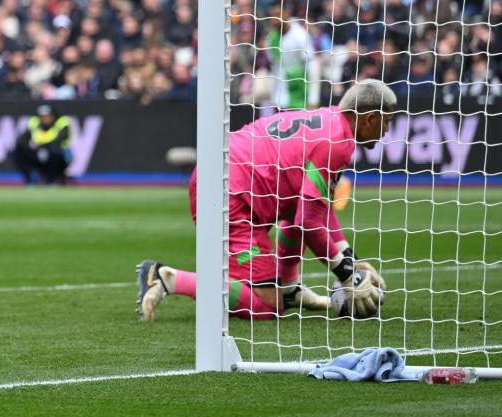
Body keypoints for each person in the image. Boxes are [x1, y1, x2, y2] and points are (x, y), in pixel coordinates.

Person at [137, 80, 395, 321]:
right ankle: (167, 278)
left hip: (226, 176)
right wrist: (347, 275)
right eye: (386, 122)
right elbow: (310, 222)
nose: (387, 130)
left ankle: (290, 287)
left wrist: (350, 258)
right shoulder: (339, 142)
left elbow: (316, 208)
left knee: (298, 205)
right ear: (370, 118)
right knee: (268, 307)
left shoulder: (332, 120)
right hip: (230, 195)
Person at [12, 104, 72, 184]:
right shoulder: (35, 123)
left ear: (52, 116)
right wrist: (31, 147)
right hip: (40, 152)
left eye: (47, 116)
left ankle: (54, 178)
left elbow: (60, 140)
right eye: (43, 117)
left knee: (54, 152)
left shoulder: (61, 123)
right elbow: (22, 140)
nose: (45, 119)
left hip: (59, 154)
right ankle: (30, 178)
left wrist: (42, 146)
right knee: (18, 151)